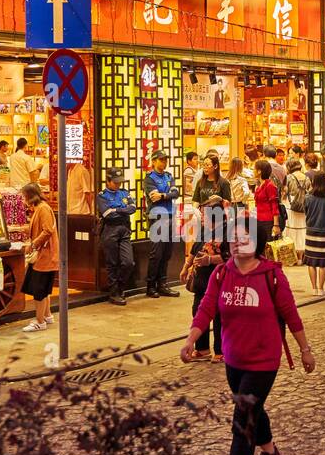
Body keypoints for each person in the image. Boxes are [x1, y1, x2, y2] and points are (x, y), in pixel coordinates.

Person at [181, 219, 314, 455]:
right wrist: (191, 340)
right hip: (233, 359)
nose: (237, 242)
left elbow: (291, 315)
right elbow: (206, 309)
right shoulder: (220, 274)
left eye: (244, 238)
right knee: (254, 409)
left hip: (264, 360)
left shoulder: (272, 277)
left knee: (243, 417)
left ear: (258, 243)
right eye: (234, 238)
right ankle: (270, 452)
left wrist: (305, 350)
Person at [184, 209, 229, 363]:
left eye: (205, 215)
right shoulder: (203, 230)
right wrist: (186, 267)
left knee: (218, 314)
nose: (202, 217)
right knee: (197, 310)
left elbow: (229, 256)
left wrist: (209, 259)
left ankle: (220, 350)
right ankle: (202, 348)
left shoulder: (227, 231)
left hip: (218, 278)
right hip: (201, 280)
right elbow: (194, 249)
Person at [142, 150, 181, 298]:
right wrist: (167, 194)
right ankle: (151, 286)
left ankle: (163, 284)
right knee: (156, 253)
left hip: (170, 216)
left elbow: (175, 193)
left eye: (165, 160)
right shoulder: (149, 178)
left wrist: (163, 195)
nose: (164, 162)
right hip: (157, 217)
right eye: (161, 160)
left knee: (167, 252)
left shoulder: (169, 176)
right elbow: (154, 197)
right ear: (153, 161)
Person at [20, 183, 58, 332]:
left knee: (39, 289)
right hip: (45, 255)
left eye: (24, 197)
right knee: (44, 289)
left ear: (30, 196)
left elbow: (47, 230)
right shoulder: (41, 208)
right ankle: (47, 315)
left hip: (45, 255)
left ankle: (39, 321)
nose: (23, 200)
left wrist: (34, 244)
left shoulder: (42, 208)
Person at [96, 169, 136, 305]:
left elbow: (132, 208)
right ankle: (114, 292)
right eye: (115, 182)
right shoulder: (102, 196)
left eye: (120, 182)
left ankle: (120, 286)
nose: (118, 185)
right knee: (111, 263)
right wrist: (122, 210)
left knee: (128, 262)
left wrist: (116, 209)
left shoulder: (124, 193)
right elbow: (107, 214)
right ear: (108, 181)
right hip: (109, 230)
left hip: (124, 230)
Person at [302, 169, 325, 295]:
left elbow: (306, 212)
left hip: (311, 231)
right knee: (323, 262)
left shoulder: (308, 197)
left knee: (311, 261)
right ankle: (321, 289)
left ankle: (314, 288)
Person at [281, 159, 310, 261]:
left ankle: (293, 257)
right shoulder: (306, 177)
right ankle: (301, 257)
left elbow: (284, 192)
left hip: (291, 206)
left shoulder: (289, 178)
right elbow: (310, 192)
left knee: (292, 230)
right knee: (302, 230)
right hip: (303, 207)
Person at [252, 159, 280, 256]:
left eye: (254, 169)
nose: (253, 171)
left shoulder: (270, 185)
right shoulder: (260, 185)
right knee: (261, 249)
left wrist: (276, 225)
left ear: (259, 171)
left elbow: (274, 206)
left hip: (268, 222)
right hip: (259, 220)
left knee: (268, 250)